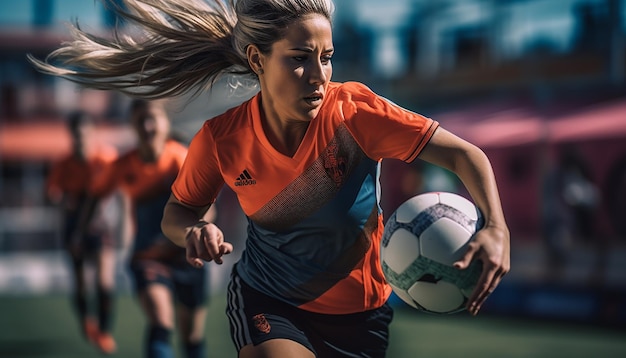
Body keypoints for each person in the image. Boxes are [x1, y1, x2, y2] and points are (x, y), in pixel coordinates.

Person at [29, 1, 510, 357]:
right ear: (258, 59)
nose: (318, 75)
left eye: (327, 57)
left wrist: (496, 227)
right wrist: (192, 231)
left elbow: (468, 156)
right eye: (300, 57)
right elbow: (180, 211)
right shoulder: (222, 138)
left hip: (364, 315)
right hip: (271, 301)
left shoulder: (357, 112)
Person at [86, 99, 213, 358]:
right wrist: (84, 228)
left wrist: (201, 231)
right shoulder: (122, 165)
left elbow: (208, 204)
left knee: (192, 339)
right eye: (140, 120)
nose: (147, 125)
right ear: (132, 125)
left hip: (188, 256)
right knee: (161, 324)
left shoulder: (181, 158)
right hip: (148, 256)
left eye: (152, 118)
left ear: (165, 123)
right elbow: (95, 194)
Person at [45, 111, 120, 354]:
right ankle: (86, 321)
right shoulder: (63, 164)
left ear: (92, 133)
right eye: (77, 135)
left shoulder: (106, 158)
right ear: (71, 135)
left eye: (85, 134)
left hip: (100, 224)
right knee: (80, 285)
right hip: (73, 225)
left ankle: (105, 332)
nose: (81, 139)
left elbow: (114, 190)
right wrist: (60, 199)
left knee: (104, 282)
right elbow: (51, 194)